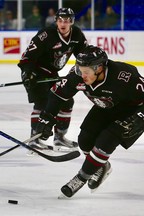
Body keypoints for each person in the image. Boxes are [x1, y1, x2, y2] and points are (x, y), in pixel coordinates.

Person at [35, 45, 144, 198]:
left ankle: (80, 179)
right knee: (85, 140)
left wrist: (140, 117)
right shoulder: (77, 75)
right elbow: (57, 95)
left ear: (99, 68)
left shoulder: (124, 76)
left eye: (85, 72)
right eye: (79, 70)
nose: (82, 75)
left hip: (131, 112)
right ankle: (101, 166)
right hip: (106, 106)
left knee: (106, 141)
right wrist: (47, 117)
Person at [18, 8, 88, 154]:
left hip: (52, 73)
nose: (63, 23)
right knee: (42, 102)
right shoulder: (46, 35)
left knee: (66, 101)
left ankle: (59, 137)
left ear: (72, 22)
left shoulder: (77, 35)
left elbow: (84, 56)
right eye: (61, 20)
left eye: (67, 20)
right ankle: (34, 140)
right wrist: (26, 73)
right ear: (56, 21)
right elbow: (27, 57)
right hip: (36, 73)